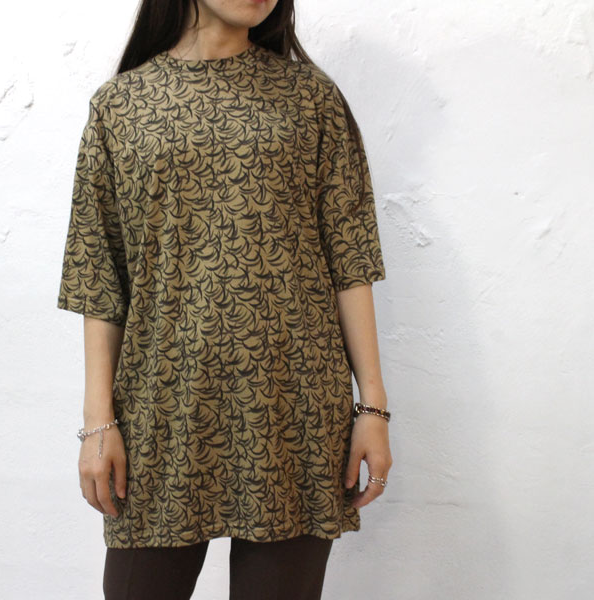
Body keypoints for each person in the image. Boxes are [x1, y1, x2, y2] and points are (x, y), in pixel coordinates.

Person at [56, 1, 393, 598]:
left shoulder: (310, 99)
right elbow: (100, 278)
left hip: (292, 409)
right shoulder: (120, 107)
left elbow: (350, 259)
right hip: (162, 409)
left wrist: (373, 407)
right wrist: (97, 423)